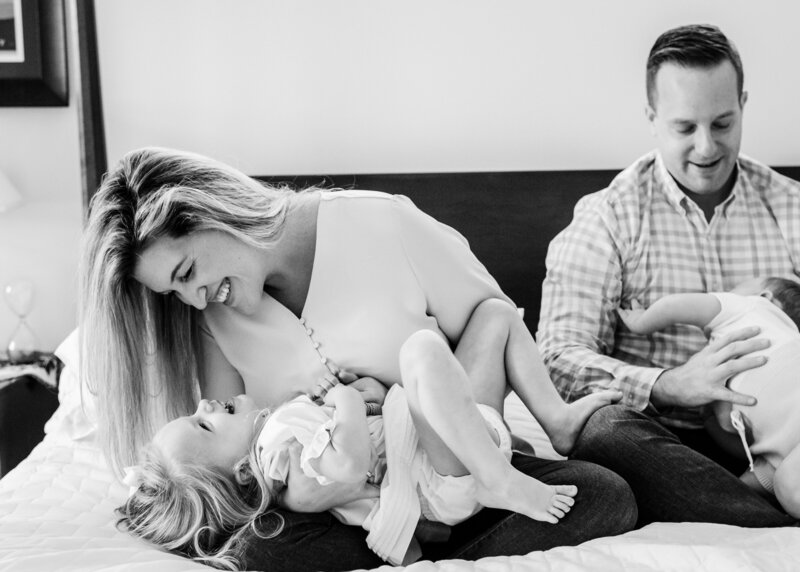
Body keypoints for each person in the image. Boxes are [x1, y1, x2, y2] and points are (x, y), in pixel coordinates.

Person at [81, 147, 636, 571]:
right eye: (174, 294)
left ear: (211, 214)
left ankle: (471, 504)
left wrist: (383, 404)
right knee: (261, 546)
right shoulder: (213, 322)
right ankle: (422, 534)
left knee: (610, 475)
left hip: (450, 445)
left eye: (186, 275)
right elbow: (228, 467)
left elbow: (493, 326)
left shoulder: (381, 224)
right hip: (342, 509)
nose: (195, 299)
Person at [538, 23, 799, 527]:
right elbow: (556, 360)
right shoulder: (607, 216)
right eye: (685, 128)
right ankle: (776, 516)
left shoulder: (790, 208)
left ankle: (766, 501)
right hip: (667, 445)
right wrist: (668, 385)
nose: (706, 147)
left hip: (782, 435)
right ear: (652, 117)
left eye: (723, 123)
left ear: (743, 103)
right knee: (603, 430)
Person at [120, 307, 590, 569]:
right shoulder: (280, 452)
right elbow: (348, 465)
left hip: (442, 454)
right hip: (442, 474)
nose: (204, 404)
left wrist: (370, 396)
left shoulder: (284, 438)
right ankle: (498, 477)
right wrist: (344, 399)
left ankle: (556, 424)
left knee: (496, 316)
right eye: (202, 424)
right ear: (243, 469)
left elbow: (370, 436)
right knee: (422, 350)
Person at [617, 276, 800, 518]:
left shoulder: (753, 309)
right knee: (785, 485)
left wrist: (642, 322)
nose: (723, 294)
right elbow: (757, 466)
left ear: (766, 297)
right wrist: (711, 420)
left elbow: (676, 306)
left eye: (733, 290)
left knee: (789, 485)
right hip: (784, 452)